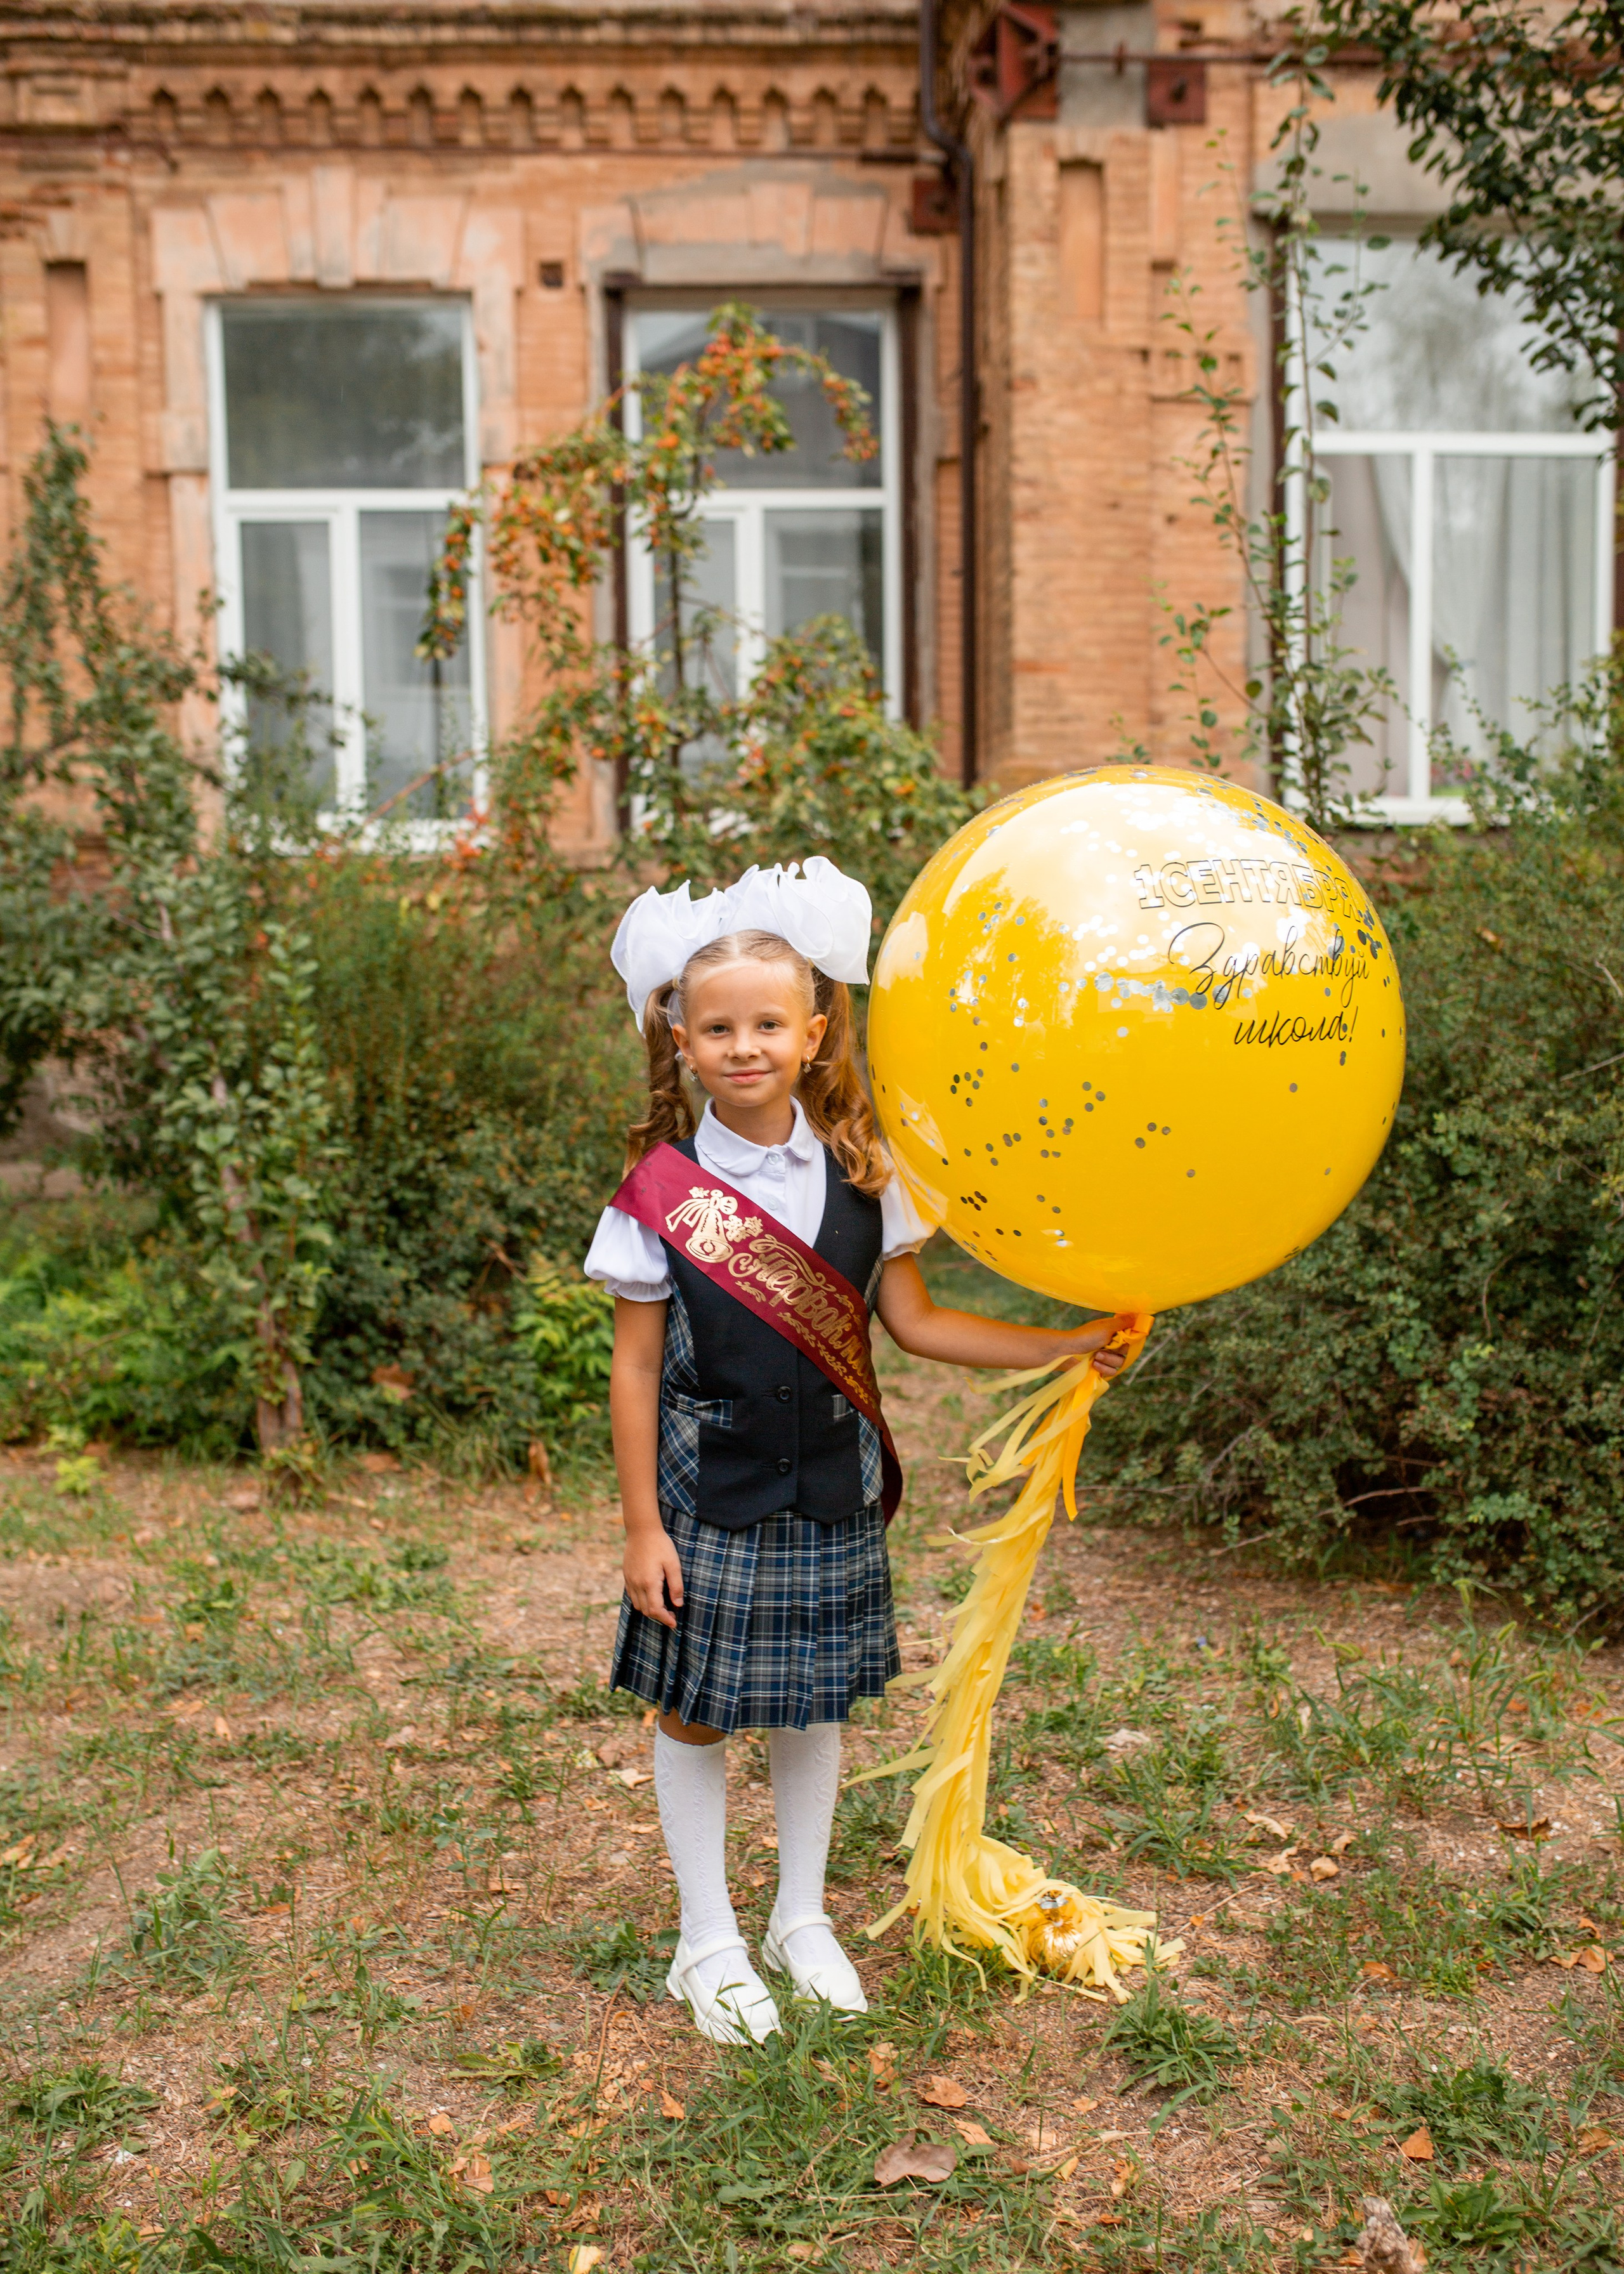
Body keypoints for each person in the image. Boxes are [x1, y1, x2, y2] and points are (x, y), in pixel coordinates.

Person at [584, 858, 1131, 2044]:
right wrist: (641, 1525)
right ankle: (705, 1938)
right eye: (717, 1025)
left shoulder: (867, 1174)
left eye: (768, 1024)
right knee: (695, 1710)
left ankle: (799, 1919)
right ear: (679, 1037)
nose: (744, 1046)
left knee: (811, 1703)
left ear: (816, 1031)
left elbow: (919, 1323)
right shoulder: (658, 1195)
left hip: (829, 1481)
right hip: (709, 1492)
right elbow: (633, 1367)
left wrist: (1066, 1342)